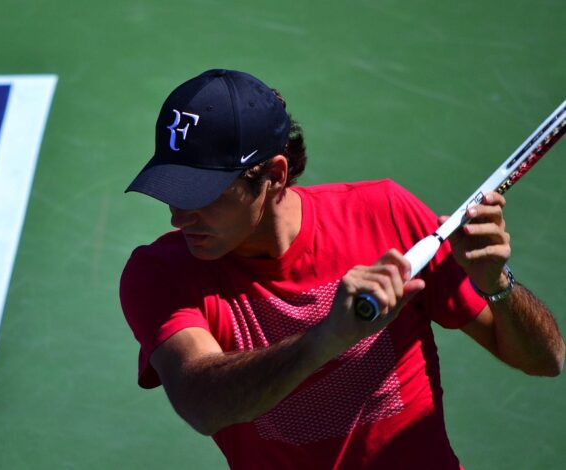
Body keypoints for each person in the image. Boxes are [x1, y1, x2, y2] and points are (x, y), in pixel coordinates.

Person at [119, 69, 565, 469]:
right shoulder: (160, 274)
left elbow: (546, 360)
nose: (178, 217)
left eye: (201, 195)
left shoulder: (385, 213)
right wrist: (328, 336)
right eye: (172, 192)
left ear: (274, 175)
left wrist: (496, 286)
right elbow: (202, 402)